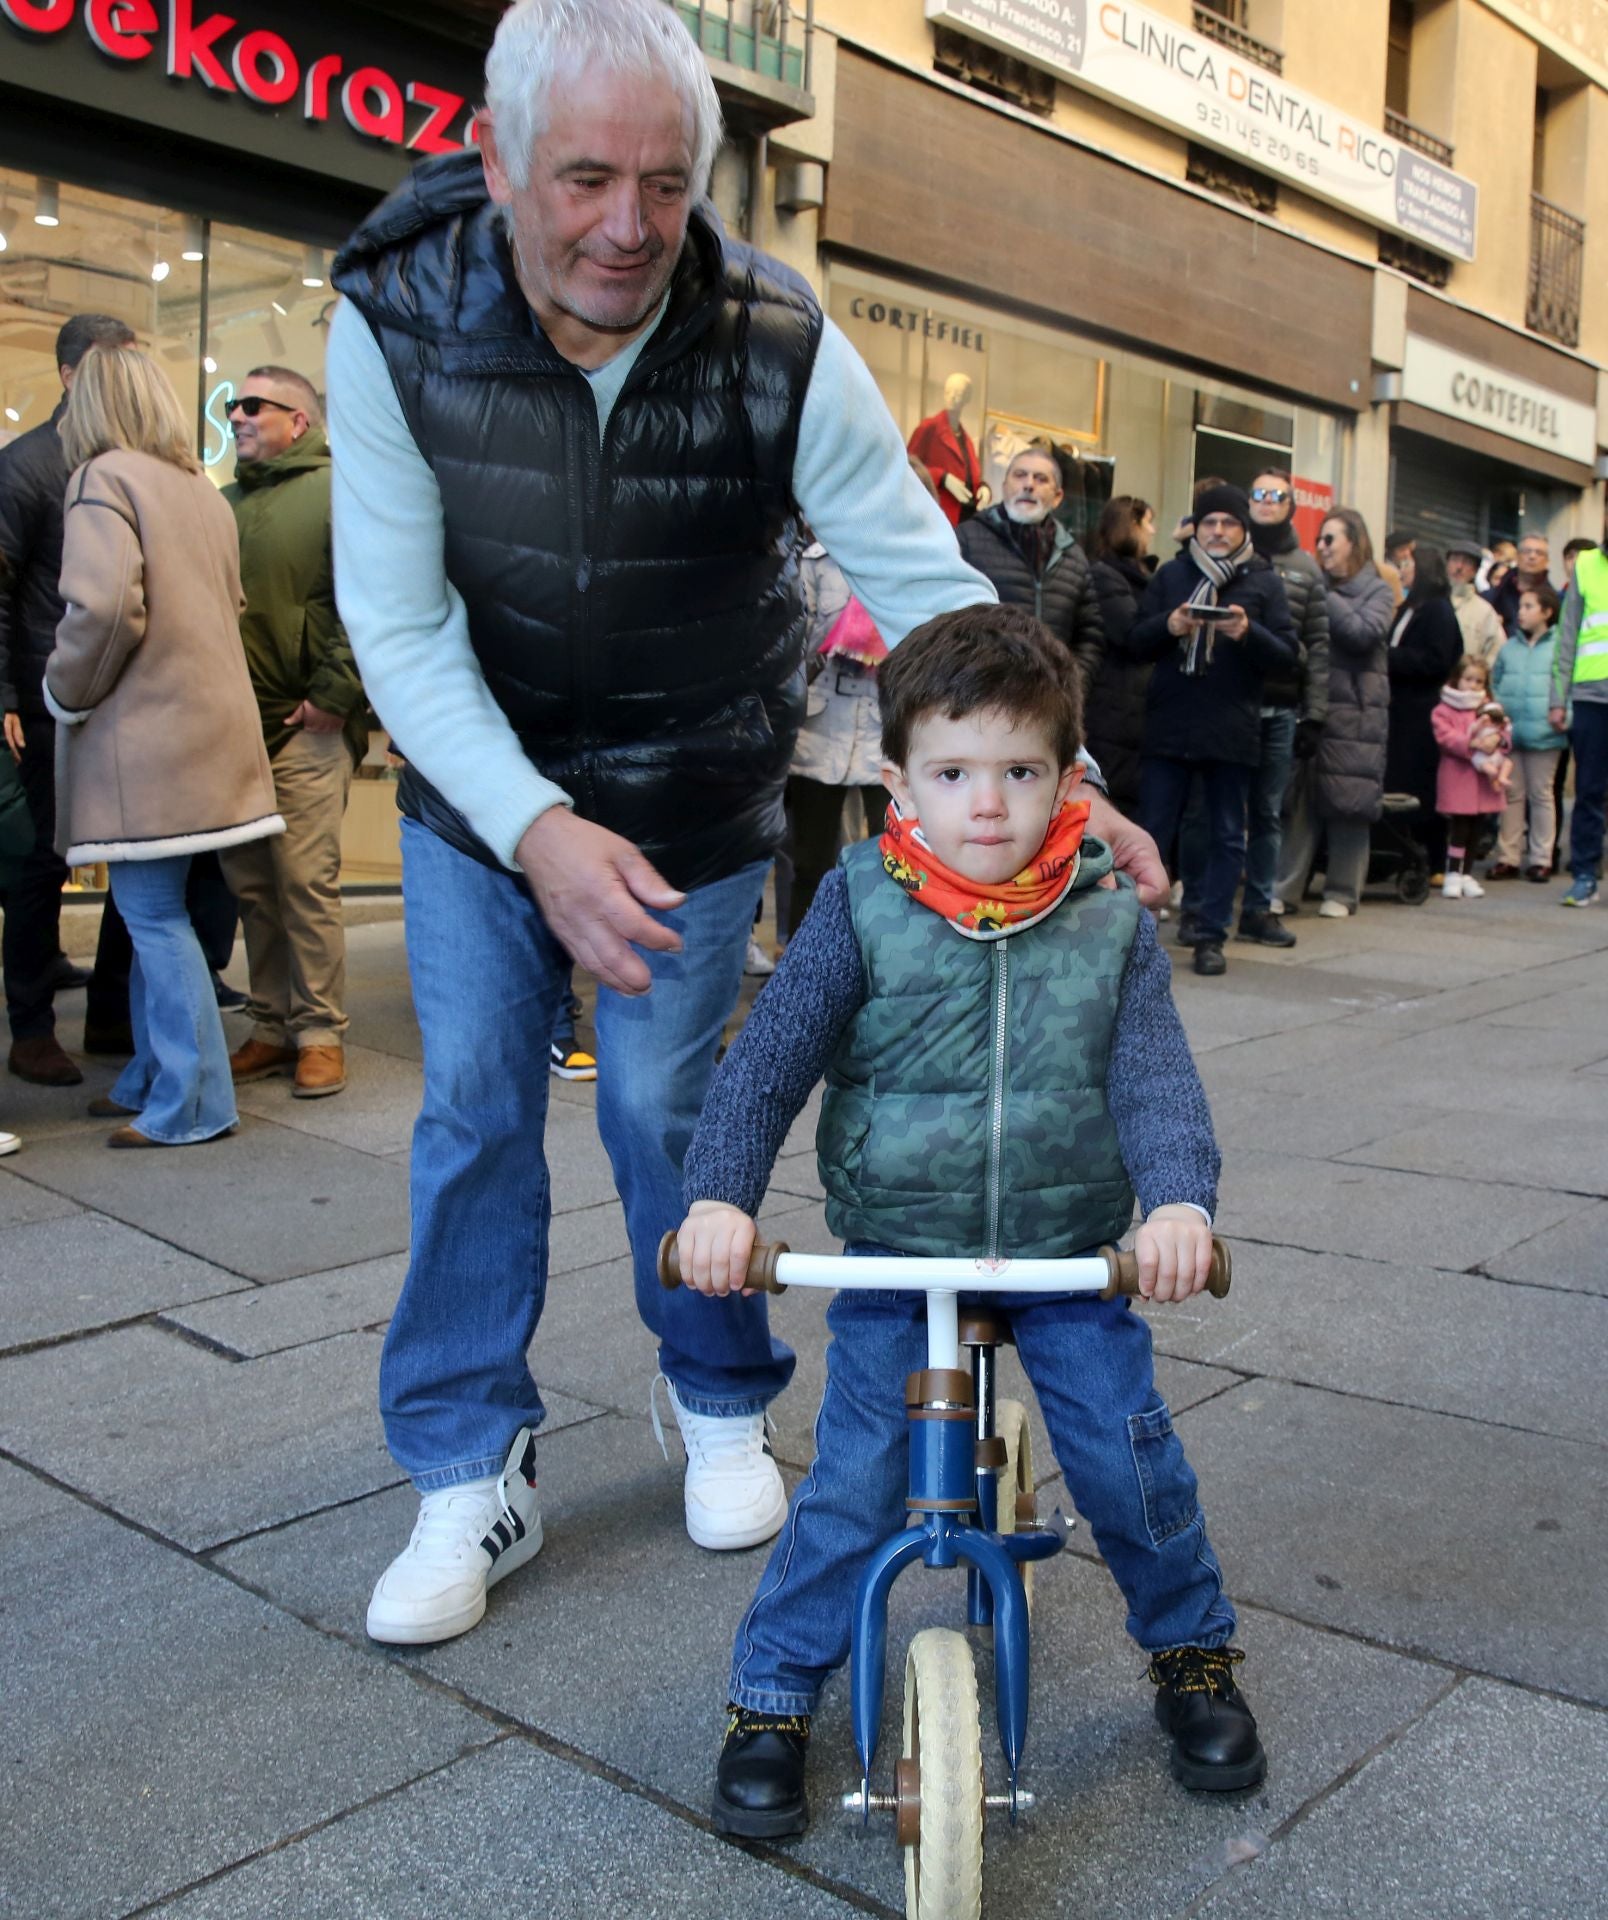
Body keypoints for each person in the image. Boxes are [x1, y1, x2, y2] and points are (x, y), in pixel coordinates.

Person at [325, 0, 1169, 1648]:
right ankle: (463, 1463)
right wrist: (533, 829)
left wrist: (1069, 785)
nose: (628, 229)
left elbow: (920, 578)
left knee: (663, 1111)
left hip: (694, 791)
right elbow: (401, 627)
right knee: (477, 1113)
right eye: (582, 179)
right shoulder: (388, 313)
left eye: (665, 183)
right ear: (494, 160)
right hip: (471, 786)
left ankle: (713, 1391)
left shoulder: (776, 333)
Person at [674, 605, 1263, 1839]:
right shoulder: (860, 905)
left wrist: (1180, 1207)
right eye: (952, 773)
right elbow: (769, 1059)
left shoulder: (1106, 919)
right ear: (898, 782)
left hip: (1066, 1255)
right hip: (899, 1247)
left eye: (1020, 772)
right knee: (851, 1485)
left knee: (1125, 1457)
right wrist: (723, 1197)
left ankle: (1191, 1652)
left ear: (1068, 781)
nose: (986, 805)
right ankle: (774, 1689)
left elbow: (1154, 1078)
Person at [42, 347, 283, 1147]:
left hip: (142, 735)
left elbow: (105, 610)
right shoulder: (201, 492)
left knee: (150, 915)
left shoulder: (101, 480)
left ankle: (192, 1100)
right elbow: (232, 604)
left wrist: (61, 691)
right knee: (157, 912)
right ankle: (155, 1075)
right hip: (214, 730)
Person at [220, 367, 366, 1102]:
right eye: (233, 406)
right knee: (253, 888)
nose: (238, 416)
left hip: (305, 726)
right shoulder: (222, 505)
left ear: (298, 421)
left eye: (252, 405)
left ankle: (320, 1034)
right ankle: (272, 1025)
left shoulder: (340, 492)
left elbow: (369, 600)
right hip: (232, 731)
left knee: (306, 884)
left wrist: (331, 698)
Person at [0, 312, 135, 1086]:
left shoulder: (122, 465)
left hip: (116, 704)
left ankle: (111, 1014)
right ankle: (30, 1025)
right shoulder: (27, 467)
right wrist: (8, 696)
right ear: (69, 375)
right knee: (39, 864)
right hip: (47, 703)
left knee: (133, 863)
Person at [1131, 483, 1298, 976]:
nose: (1219, 531)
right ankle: (1138, 933)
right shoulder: (1172, 575)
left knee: (1229, 834)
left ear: (1243, 529)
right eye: (1210, 523)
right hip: (1170, 724)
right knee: (1153, 832)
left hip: (1231, 727)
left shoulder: (1264, 582)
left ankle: (1210, 933)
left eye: (1229, 523)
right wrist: (1171, 625)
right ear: (1196, 529)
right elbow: (1134, 641)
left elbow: (1289, 658)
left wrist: (1249, 633)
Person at [1274, 509, 1395, 922]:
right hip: (1314, 703)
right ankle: (1284, 888)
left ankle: (1343, 891)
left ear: (1354, 543)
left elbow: (1364, 633)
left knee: (1349, 803)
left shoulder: (1378, 590)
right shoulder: (1315, 585)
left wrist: (1321, 595)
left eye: (1330, 539)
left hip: (1356, 715)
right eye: (1319, 540)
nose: (1321, 547)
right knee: (1299, 802)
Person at [1237, 469, 1328, 948]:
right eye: (1259, 494)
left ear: (1291, 505)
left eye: (1278, 495)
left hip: (1280, 707)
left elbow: (1318, 643)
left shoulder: (1306, 568)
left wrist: (1315, 712)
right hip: (1230, 705)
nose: (1267, 501)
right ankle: (1205, 907)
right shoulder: (1231, 551)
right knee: (1222, 813)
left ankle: (1258, 907)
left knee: (1269, 813)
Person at [783, 537, 889, 938]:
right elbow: (792, 645)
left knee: (894, 866)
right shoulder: (818, 562)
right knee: (810, 865)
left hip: (887, 733)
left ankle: (882, 970)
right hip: (820, 731)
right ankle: (799, 971)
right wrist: (842, 631)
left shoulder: (909, 560)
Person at [956, 445, 1105, 694]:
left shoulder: (1074, 557)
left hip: (1048, 704)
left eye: (1040, 479)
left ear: (1057, 497)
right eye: (1020, 475)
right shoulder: (967, 540)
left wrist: (1072, 685)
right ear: (1004, 487)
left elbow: (1090, 634)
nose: (1028, 485)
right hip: (979, 698)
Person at [1385, 544, 1464, 878]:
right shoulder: (1409, 607)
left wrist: (1389, 657)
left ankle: (1430, 859)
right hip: (1399, 709)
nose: (1402, 571)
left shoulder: (1438, 611)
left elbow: (1438, 659)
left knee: (1421, 784)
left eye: (1407, 565)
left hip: (1421, 711)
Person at [1083, 494, 1158, 814]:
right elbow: (1131, 634)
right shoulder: (1106, 575)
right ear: (1131, 526)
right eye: (1148, 522)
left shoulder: (1137, 576)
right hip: (1115, 704)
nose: (1152, 531)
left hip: (1130, 704)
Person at [1488, 584, 1565, 881]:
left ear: (1547, 612)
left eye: (1529, 606)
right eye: (1520, 606)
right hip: (1512, 733)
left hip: (1545, 733)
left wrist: (1563, 717)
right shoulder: (1510, 647)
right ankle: (1508, 856)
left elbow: (1565, 685)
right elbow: (1495, 680)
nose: (1521, 612)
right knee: (1511, 794)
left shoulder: (1559, 647)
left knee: (1541, 794)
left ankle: (1541, 857)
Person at [1549, 539, 1608, 907]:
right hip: (1591, 697)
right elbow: (1566, 637)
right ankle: (1585, 874)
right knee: (1588, 790)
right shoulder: (1586, 564)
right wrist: (1558, 698)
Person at [1432, 656, 1511, 900]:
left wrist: (1497, 740)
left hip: (1483, 781)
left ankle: (1466, 873)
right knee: (1459, 826)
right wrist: (1472, 743)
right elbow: (1446, 738)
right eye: (1468, 679)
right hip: (1459, 776)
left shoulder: (1490, 708)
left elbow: (1505, 732)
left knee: (1477, 826)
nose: (1473, 685)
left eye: (1479, 681)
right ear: (1457, 679)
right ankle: (1453, 871)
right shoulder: (1444, 709)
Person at [907, 373, 985, 528]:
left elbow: (971, 476)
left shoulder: (966, 439)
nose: (952, 397)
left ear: (967, 399)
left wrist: (983, 487)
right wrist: (942, 477)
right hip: (940, 514)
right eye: (948, 392)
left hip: (966, 517)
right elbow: (908, 467)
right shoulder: (929, 428)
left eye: (958, 393)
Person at [1445, 540, 1507, 667]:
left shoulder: (1485, 611)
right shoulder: (1428, 600)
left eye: (1467, 562)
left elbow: (1497, 652)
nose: (1459, 567)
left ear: (1475, 571)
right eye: (1455, 560)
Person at [1484, 532, 1553, 635]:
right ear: (1517, 557)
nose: (1532, 556)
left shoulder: (1554, 603)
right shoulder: (1492, 597)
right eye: (1527, 551)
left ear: (1547, 561)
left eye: (1539, 553)